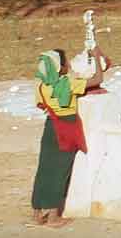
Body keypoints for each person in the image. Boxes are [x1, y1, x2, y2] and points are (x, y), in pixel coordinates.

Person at [30, 50, 85, 227]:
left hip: (50, 127)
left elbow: (41, 106)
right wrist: (97, 58)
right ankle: (53, 217)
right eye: (66, 62)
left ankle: (37, 213)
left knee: (44, 168)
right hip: (66, 128)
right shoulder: (68, 84)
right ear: (60, 67)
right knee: (60, 171)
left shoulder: (41, 86)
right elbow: (98, 80)